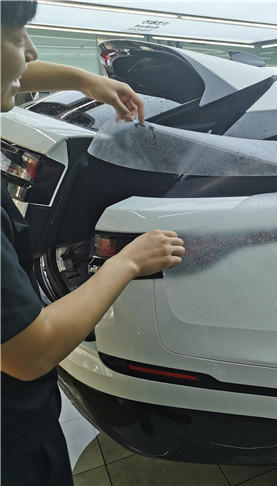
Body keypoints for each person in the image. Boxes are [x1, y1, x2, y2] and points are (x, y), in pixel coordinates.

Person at [1, 2, 186, 485]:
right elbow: (29, 354)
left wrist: (85, 81)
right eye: (18, 35)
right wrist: (126, 262)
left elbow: (18, 69)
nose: (31, 52)